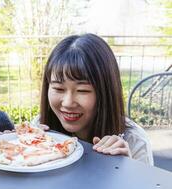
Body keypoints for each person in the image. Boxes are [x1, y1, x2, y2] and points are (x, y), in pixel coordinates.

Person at [37, 33, 153, 165]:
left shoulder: (134, 141)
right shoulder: (40, 129)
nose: (68, 102)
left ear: (105, 92)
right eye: (58, 89)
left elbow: (144, 186)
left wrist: (126, 170)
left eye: (82, 90)